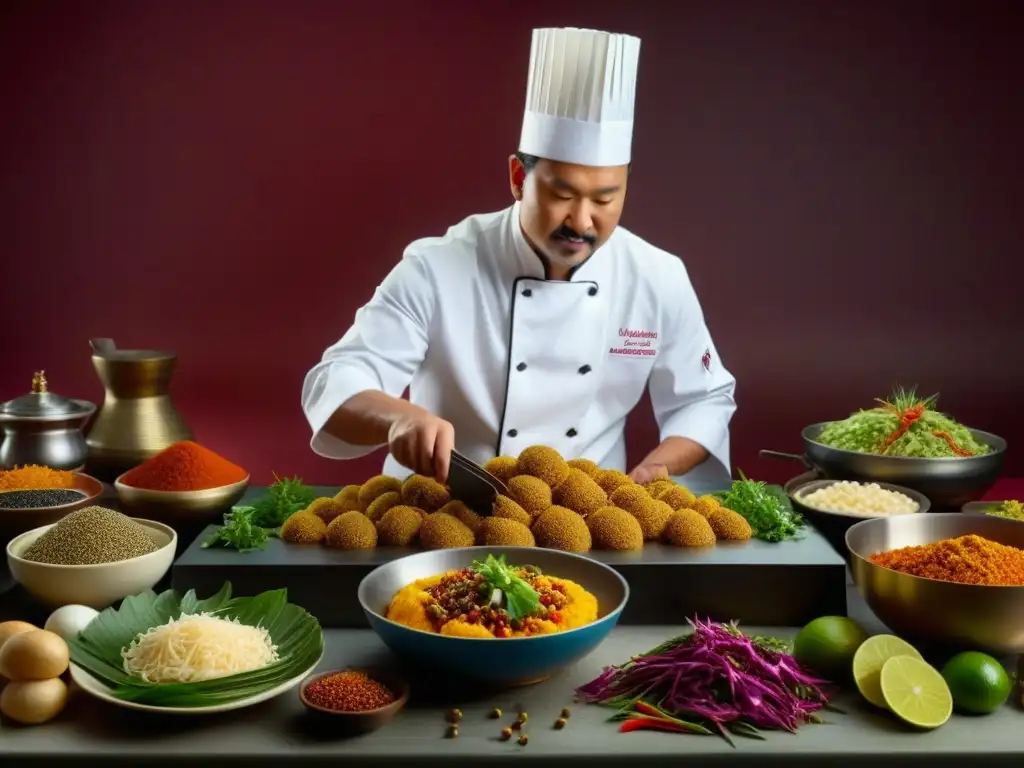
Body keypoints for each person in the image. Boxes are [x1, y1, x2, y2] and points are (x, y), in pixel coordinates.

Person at [302, 27, 736, 492]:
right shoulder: (437, 267)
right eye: (562, 194)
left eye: (605, 199)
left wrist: (657, 469)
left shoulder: (656, 277)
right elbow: (336, 379)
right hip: (439, 508)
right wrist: (398, 418)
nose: (583, 221)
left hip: (583, 522)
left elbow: (705, 398)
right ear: (517, 178)